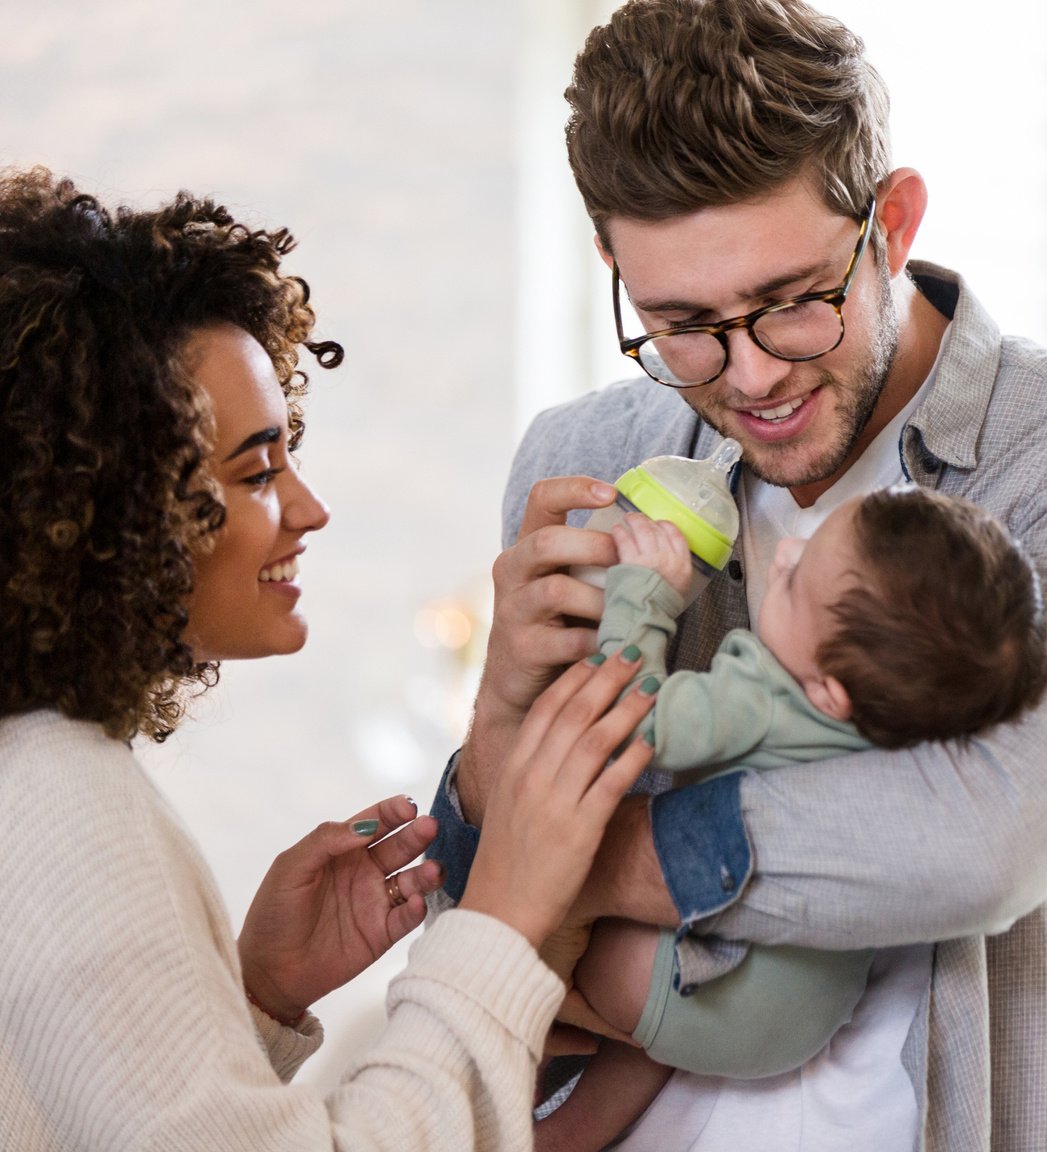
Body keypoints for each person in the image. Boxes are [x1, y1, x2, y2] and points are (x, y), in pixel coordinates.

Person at [426, 0, 1047, 1148]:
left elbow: (981, 839)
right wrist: (495, 733)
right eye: (683, 323)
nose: (750, 373)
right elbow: (483, 959)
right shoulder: (586, 464)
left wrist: (565, 858)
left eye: (791, 303)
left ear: (892, 221)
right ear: (613, 264)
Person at [0, 166, 659, 1151]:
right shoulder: (59, 795)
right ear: (112, 504)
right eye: (257, 469)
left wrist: (253, 997)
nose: (309, 510)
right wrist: (508, 914)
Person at [550, 487, 1047, 1146]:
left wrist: (644, 595)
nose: (783, 552)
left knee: (554, 917)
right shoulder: (903, 731)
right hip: (801, 1013)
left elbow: (630, 723)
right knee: (669, 1027)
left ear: (827, 693)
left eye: (792, 583)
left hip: (722, 994)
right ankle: (562, 1136)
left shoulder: (767, 698)